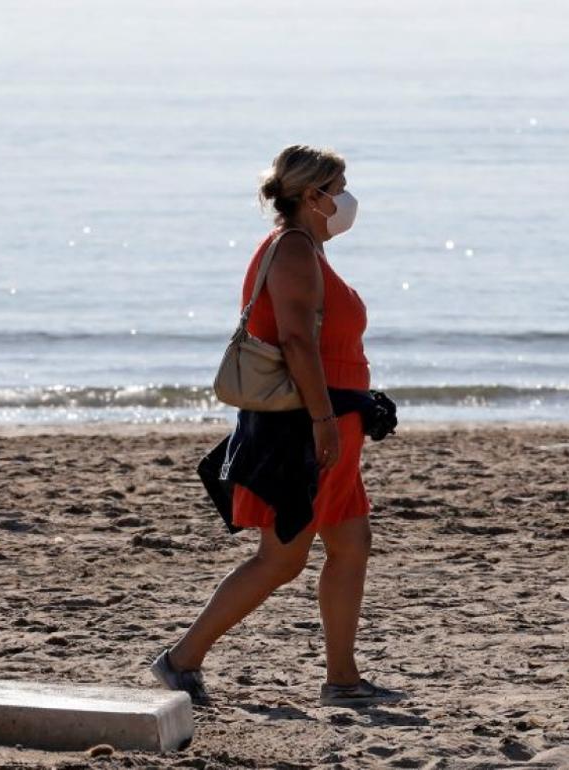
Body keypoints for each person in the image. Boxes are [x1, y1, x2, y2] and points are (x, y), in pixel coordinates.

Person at [152, 145, 399, 707]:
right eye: (339, 187)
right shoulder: (292, 250)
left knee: (351, 541)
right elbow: (295, 342)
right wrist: (323, 422)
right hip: (307, 426)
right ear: (312, 196)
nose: (346, 199)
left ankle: (342, 679)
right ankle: (180, 660)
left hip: (330, 420)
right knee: (281, 558)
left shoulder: (308, 249)